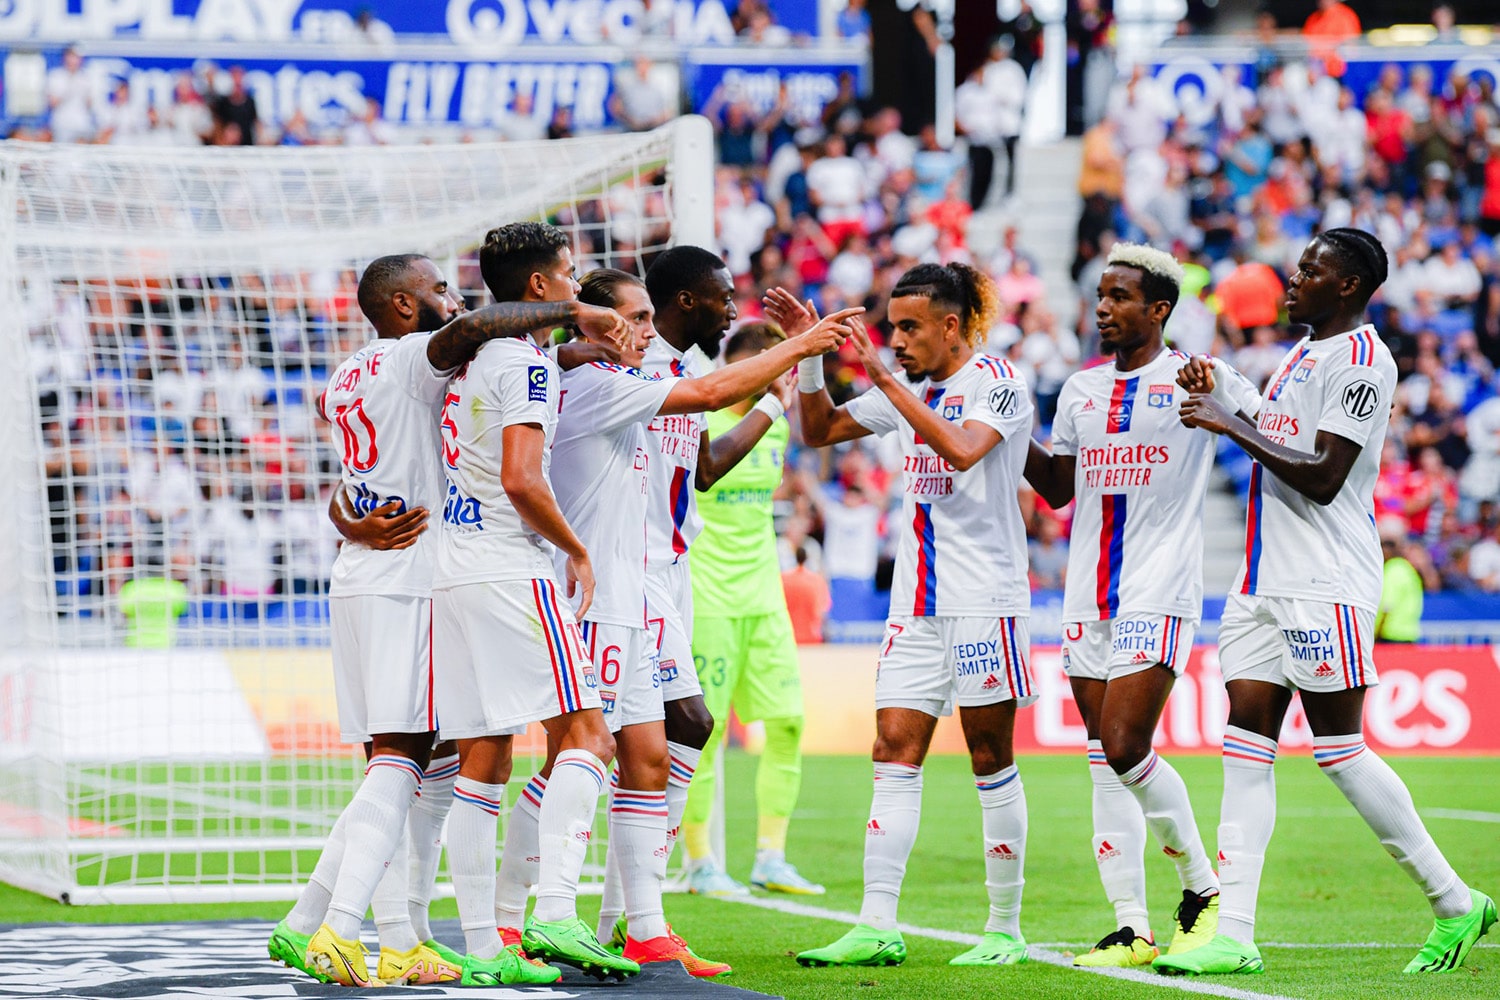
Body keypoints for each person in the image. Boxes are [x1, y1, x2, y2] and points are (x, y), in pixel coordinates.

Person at [271, 252, 624, 987]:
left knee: (414, 766)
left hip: (363, 576)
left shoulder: (345, 375)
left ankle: (385, 934)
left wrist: (348, 516)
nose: (452, 297)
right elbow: (482, 326)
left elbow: (346, 468)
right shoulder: (412, 358)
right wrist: (575, 311)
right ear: (402, 307)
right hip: (412, 575)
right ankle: (328, 928)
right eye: (435, 289)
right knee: (400, 763)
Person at [1162, 229, 1495, 975]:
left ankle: (1453, 901)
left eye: (1309, 271)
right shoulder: (1304, 352)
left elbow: (1321, 475)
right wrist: (1226, 390)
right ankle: (1236, 935)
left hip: (1324, 584)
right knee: (1245, 752)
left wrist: (1229, 423)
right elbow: (1279, 432)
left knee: (1340, 752)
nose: (1292, 278)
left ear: (1346, 286)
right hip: (1259, 586)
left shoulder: (1365, 361)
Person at [542, 269, 850, 973]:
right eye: (721, 295)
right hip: (619, 580)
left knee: (673, 733)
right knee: (586, 746)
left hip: (664, 575)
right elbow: (708, 398)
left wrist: (776, 394)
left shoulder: (671, 369)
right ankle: (536, 916)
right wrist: (801, 348)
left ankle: (634, 921)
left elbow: (702, 462)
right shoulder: (623, 374)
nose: (732, 308)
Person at [794, 263, 1036, 968]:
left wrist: (888, 383)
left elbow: (961, 452)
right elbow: (818, 430)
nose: (894, 340)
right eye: (890, 327)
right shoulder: (911, 388)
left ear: (951, 325)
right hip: (916, 605)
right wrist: (811, 359)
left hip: (985, 602)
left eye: (909, 327)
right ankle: (877, 923)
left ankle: (1004, 928)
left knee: (990, 758)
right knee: (892, 753)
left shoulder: (996, 382)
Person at [1025, 244, 1260, 969]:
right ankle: (1130, 927)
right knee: (1105, 762)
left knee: (1126, 745)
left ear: (1158, 309)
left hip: (1158, 591)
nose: (1102, 307)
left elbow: (1273, 433)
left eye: (1120, 296)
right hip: (1084, 595)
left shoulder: (1198, 375)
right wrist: (1006, 435)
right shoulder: (1078, 392)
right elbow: (1059, 489)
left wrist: (1219, 403)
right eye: (1099, 294)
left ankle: (1201, 889)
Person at [431, 224, 640, 980]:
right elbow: (522, 479)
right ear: (542, 288)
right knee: (589, 736)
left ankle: (488, 948)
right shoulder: (524, 365)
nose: (580, 284)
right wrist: (577, 550)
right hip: (509, 565)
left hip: (451, 570)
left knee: (483, 758)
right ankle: (555, 914)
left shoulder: (470, 359)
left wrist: (576, 339)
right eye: (571, 273)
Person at [681, 317, 832, 900]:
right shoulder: (700, 417)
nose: (785, 378)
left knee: (789, 723)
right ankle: (699, 862)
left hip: (764, 597)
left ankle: (771, 855)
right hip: (708, 597)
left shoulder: (774, 425)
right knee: (704, 734)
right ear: (747, 363)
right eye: (778, 364)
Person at [1377, 530, 1424, 643]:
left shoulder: (1393, 570)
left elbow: (1387, 606)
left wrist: (1377, 633)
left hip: (1391, 634)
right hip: (1409, 632)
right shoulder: (1407, 569)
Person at [782, 544, 832, 644]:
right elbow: (823, 611)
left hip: (788, 638)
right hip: (812, 638)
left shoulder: (783, 579)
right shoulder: (817, 581)